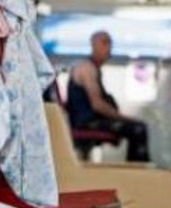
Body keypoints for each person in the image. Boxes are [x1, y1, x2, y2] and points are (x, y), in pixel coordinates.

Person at [65, 31, 151, 162]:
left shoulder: (94, 69)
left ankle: (137, 169)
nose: (108, 48)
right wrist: (123, 118)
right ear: (93, 45)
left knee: (138, 127)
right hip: (85, 123)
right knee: (138, 129)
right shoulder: (86, 68)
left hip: (90, 120)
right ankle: (138, 174)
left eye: (110, 43)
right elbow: (97, 105)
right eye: (104, 43)